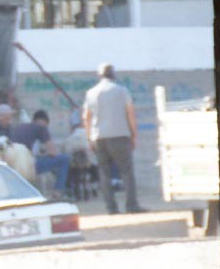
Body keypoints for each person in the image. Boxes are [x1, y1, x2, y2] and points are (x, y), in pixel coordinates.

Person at [83, 63, 142, 213]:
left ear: (100, 75)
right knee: (127, 171)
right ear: (113, 75)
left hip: (99, 137)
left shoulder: (91, 92)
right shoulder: (122, 90)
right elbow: (130, 113)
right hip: (120, 136)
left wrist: (89, 138)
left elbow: (86, 117)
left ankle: (111, 207)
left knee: (104, 173)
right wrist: (134, 134)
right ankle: (131, 205)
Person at [23, 109, 69, 196]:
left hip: (17, 165)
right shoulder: (41, 127)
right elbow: (53, 153)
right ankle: (57, 191)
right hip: (31, 165)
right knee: (64, 159)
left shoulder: (21, 127)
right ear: (45, 122)